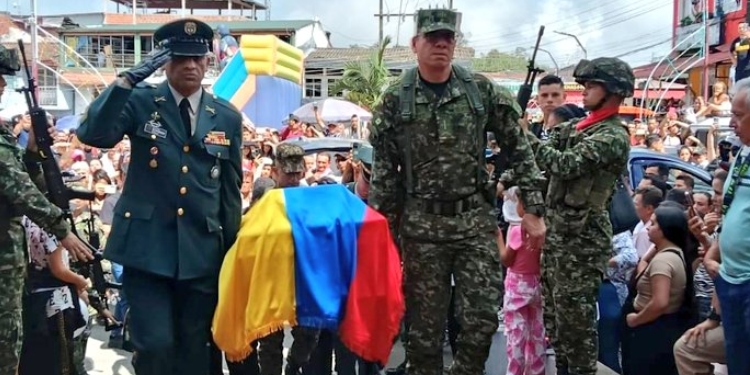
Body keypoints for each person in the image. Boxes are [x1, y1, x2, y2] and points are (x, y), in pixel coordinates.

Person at [368, 9, 547, 375]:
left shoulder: (478, 90)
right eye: (433, 38)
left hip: (473, 223)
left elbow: (519, 145)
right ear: (415, 44)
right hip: (422, 227)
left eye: (448, 38)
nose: (441, 45)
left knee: (482, 318)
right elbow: (385, 175)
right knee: (423, 330)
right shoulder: (395, 100)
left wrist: (533, 207)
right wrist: (383, 236)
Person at [76, 18, 243, 375]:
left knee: (196, 350)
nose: (190, 65)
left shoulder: (226, 116)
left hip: (202, 253)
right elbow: (93, 133)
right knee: (155, 346)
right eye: (180, 57)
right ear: (163, 61)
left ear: (208, 61)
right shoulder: (140, 101)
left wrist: (232, 258)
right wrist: (125, 81)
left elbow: (229, 193)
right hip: (147, 251)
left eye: (198, 58)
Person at [526, 57, 634, 375]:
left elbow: (565, 163)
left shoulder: (613, 136)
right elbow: (551, 144)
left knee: (578, 326)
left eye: (592, 86)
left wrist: (525, 137)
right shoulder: (579, 126)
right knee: (557, 323)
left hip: (583, 240)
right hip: (559, 234)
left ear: (612, 91)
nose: (584, 91)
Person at [0, 45, 93, 375]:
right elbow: (18, 189)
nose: (0, 86)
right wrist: (61, 228)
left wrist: (34, 152)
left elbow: (18, 179)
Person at [498, 187, 545, 375]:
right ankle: (536, 371)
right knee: (537, 335)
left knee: (516, 335)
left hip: (517, 286)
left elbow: (507, 259)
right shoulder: (543, 231)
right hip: (537, 284)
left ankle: (515, 372)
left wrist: (498, 238)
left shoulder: (518, 231)